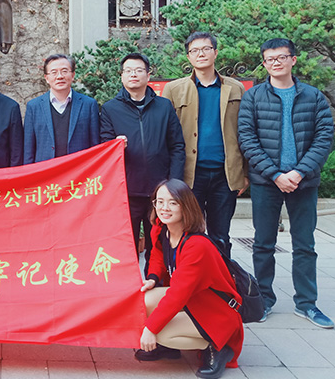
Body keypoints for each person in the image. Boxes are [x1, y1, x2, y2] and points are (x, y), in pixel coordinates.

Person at [238, 38, 335, 328]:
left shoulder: (313, 96)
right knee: (263, 244)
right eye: (270, 59)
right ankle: (264, 300)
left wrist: (299, 172)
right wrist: (275, 174)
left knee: (305, 244)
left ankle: (306, 303)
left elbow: (324, 137)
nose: (276, 63)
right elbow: (247, 139)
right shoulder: (253, 97)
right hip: (266, 182)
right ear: (264, 63)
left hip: (303, 183)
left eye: (281, 57)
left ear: (293, 59)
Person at [137, 179, 243, 379]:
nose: (164, 208)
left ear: (185, 206)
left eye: (172, 202)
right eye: (159, 201)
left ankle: (218, 345)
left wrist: (150, 329)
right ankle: (170, 349)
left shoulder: (197, 246)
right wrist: (152, 278)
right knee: (144, 300)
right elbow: (157, 255)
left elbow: (177, 295)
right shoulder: (162, 228)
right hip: (193, 300)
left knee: (161, 333)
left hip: (215, 310)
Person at [162, 32, 248, 257]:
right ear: (188, 57)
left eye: (206, 49)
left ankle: (222, 277)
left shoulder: (235, 88)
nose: (200, 54)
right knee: (189, 232)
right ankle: (189, 276)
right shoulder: (174, 89)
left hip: (225, 175)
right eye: (195, 50)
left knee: (221, 235)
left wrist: (245, 173)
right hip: (190, 175)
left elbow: (246, 133)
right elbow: (167, 135)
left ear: (215, 53)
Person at [100, 53, 185, 267]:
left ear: (148, 75)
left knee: (157, 245)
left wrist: (173, 184)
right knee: (124, 245)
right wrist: (115, 146)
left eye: (139, 70)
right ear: (121, 76)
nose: (133, 75)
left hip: (160, 191)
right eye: (128, 71)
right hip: (126, 190)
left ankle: (155, 282)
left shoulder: (164, 106)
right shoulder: (110, 109)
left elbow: (177, 146)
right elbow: (103, 149)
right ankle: (127, 286)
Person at [23, 54, 100, 164]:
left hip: (79, 170)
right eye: (54, 72)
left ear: (73, 75)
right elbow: (28, 149)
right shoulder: (34, 106)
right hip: (46, 170)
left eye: (64, 71)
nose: (59, 76)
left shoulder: (89, 105)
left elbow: (95, 145)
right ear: (46, 78)